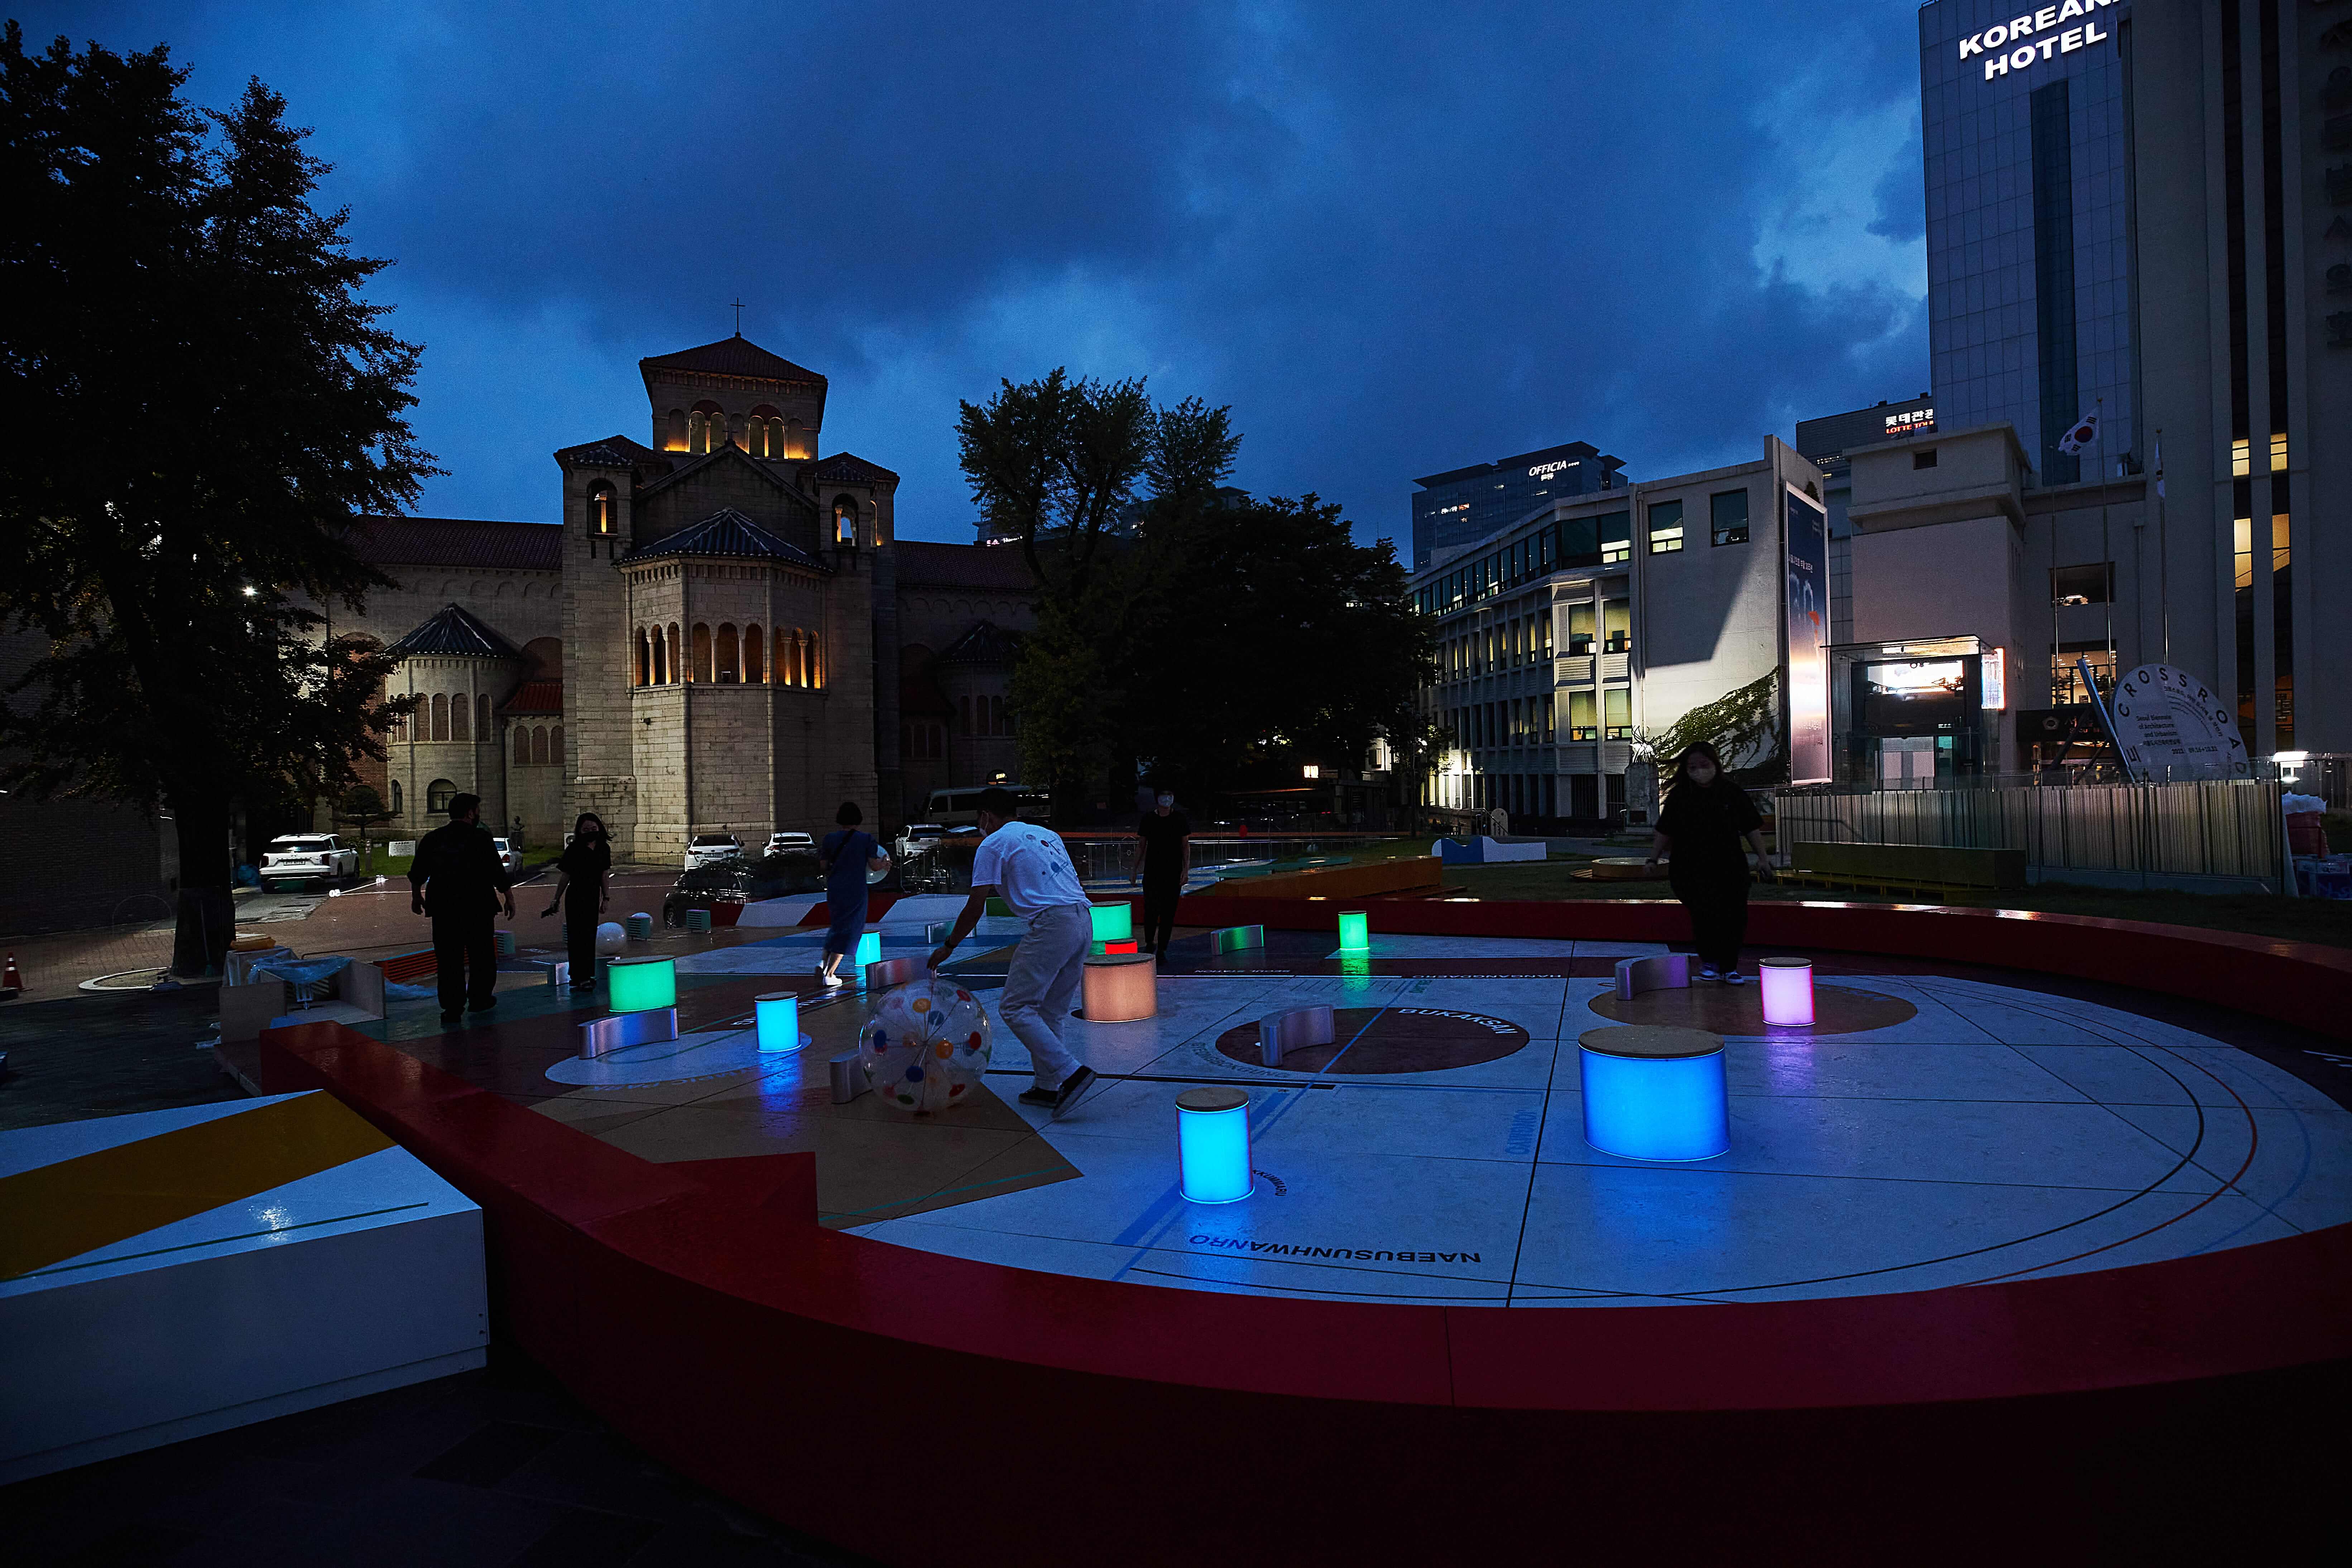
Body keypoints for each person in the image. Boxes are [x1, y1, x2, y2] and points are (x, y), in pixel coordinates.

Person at [928, 786, 1096, 1113]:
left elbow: (975, 905)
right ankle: (1048, 1087)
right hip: (1083, 920)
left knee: (1015, 1007)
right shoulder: (1046, 835)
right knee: (1051, 1012)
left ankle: (1071, 1073)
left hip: (1051, 925)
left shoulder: (993, 844)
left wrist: (949, 946)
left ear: (986, 817)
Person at [1644, 742, 1771, 983]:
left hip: (1730, 866)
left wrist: (1763, 859)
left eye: (1704, 765)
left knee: (1734, 916)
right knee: (1704, 915)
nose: (1700, 771)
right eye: (1693, 767)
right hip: (1690, 868)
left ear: (1715, 764)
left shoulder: (1731, 793)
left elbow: (1751, 828)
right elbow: (1664, 830)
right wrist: (1654, 858)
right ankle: (1710, 961)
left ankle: (1730, 966)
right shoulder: (1681, 796)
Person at [408, 792, 515, 1027]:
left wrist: (417, 898)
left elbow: (418, 872)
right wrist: (508, 897)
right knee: (482, 957)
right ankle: (480, 999)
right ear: (470, 813)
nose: (478, 814)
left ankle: (452, 1007)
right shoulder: (481, 838)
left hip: (444, 909)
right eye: (477, 810)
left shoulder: (433, 838)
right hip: (479, 907)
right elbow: (496, 871)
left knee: (448, 960)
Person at [817, 801, 887, 987]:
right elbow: (874, 866)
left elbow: (823, 866)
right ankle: (830, 974)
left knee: (837, 926)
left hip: (835, 888)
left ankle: (823, 964)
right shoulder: (866, 840)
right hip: (855, 889)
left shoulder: (829, 839)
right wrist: (886, 864)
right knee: (850, 930)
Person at [541, 813, 611, 993]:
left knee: (589, 937)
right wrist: (556, 898)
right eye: (586, 829)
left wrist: (606, 898)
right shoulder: (574, 849)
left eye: (594, 829)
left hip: (593, 897)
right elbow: (566, 876)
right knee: (577, 938)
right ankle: (579, 977)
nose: (590, 832)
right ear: (580, 831)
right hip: (576, 897)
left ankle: (586, 975)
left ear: (599, 828)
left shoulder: (604, 848)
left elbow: (604, 874)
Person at [1136, 788, 1190, 959]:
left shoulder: (1180, 819)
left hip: (1173, 872)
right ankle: (1150, 942)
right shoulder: (1148, 819)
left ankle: (1163, 949)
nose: (1166, 799)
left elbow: (1185, 846)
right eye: (1163, 795)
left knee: (1168, 912)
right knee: (1151, 910)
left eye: (1170, 795)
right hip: (1152, 872)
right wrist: (1134, 869)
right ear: (1157, 799)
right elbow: (1141, 845)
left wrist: (1186, 870)